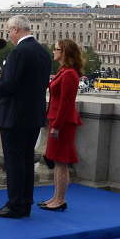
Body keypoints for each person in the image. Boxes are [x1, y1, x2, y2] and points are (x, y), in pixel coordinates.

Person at [0, 15, 52, 218]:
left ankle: (14, 205)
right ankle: (25, 203)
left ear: (16, 30)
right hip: (33, 116)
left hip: (14, 117)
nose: (9, 36)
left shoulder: (19, 52)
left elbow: (10, 86)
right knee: (26, 162)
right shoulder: (43, 52)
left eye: (9, 32)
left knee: (14, 163)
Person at [41, 39, 84, 211]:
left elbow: (66, 103)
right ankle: (56, 197)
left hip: (63, 123)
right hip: (58, 120)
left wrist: (56, 126)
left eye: (56, 49)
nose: (53, 51)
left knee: (61, 163)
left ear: (64, 52)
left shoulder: (69, 74)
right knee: (58, 162)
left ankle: (59, 200)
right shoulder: (64, 71)